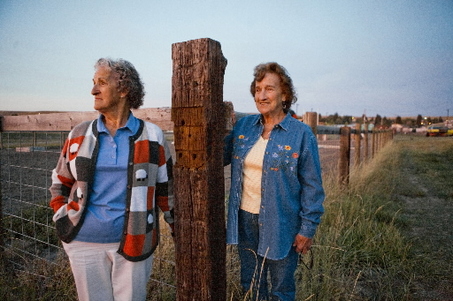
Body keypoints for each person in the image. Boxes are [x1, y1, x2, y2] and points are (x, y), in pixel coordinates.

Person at [49, 58, 174, 301]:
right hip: (82, 241)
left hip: (136, 240)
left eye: (102, 83)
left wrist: (177, 228)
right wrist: (62, 215)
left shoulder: (152, 136)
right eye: (94, 83)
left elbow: (166, 190)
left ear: (124, 89)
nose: (93, 90)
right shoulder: (79, 134)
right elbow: (60, 181)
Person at [224, 62, 325, 300]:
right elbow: (218, 156)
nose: (261, 95)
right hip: (245, 219)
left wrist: (307, 228)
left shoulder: (300, 134)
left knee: (281, 288)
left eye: (269, 89)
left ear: (285, 94)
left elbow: (312, 186)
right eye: (257, 89)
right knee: (251, 283)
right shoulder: (244, 126)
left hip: (282, 222)